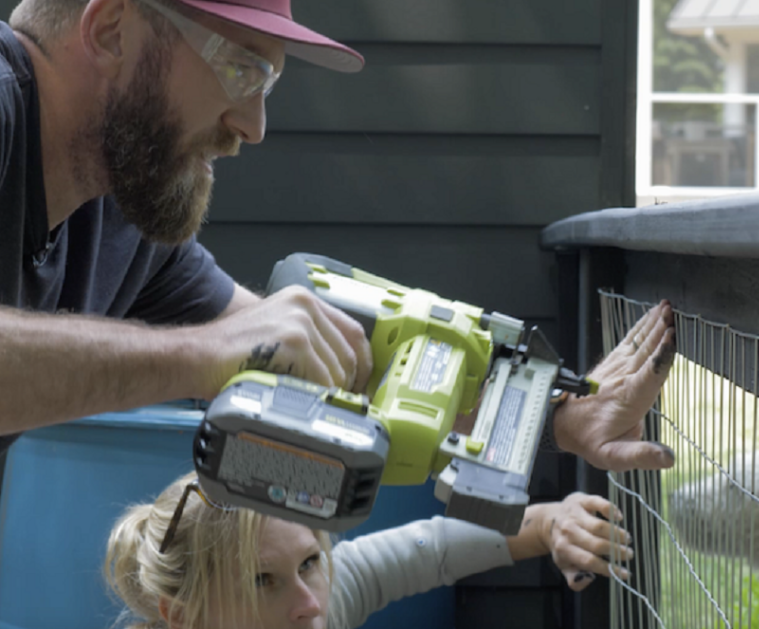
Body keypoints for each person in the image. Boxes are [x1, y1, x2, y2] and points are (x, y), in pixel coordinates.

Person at [0, 0, 677, 473]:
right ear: (114, 30)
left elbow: (323, 357)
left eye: (270, 81)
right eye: (240, 68)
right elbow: (225, 348)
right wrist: (203, 353)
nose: (254, 125)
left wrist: (557, 416)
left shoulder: (122, 225)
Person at [105, 472, 636, 629]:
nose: (311, 604)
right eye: (261, 580)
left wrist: (550, 525)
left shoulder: (316, 606)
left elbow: (432, 549)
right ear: (184, 619)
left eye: (311, 561)